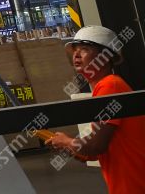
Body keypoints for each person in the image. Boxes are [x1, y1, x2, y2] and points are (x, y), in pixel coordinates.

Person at [47, 25, 145, 193]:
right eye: (75, 50)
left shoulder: (111, 86)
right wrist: (73, 149)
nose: (76, 54)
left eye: (84, 49)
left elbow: (96, 145)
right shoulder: (105, 88)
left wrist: (67, 141)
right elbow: (97, 150)